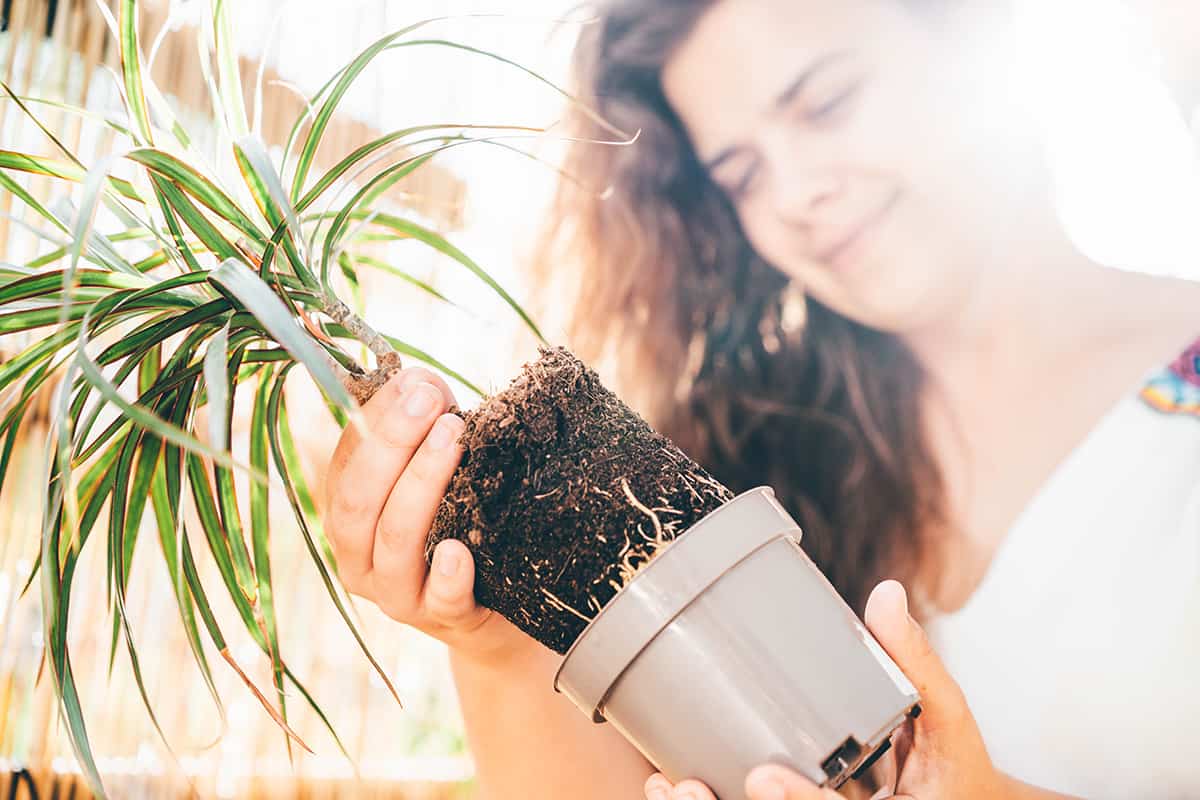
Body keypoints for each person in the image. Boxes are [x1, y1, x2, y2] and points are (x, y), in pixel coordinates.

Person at [320, 1, 1200, 798]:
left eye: (827, 101)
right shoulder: (744, 466)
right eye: (742, 175)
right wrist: (497, 642)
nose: (794, 197)